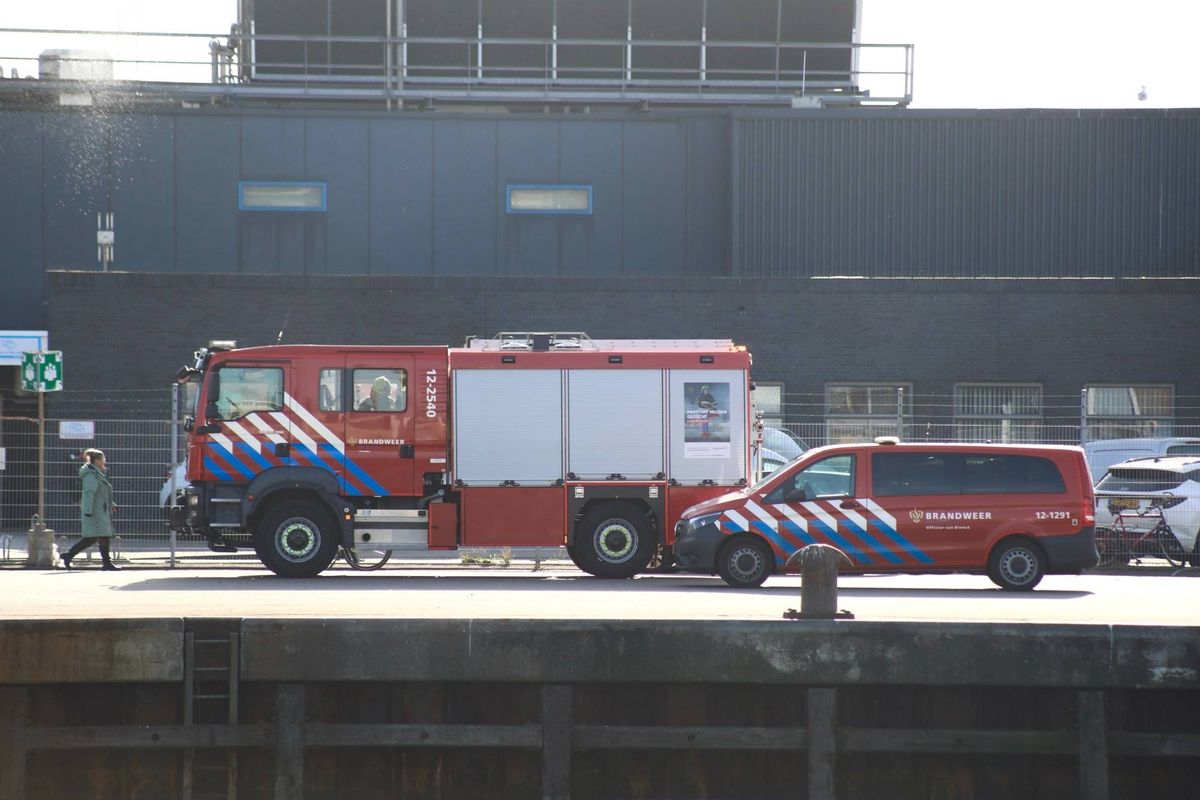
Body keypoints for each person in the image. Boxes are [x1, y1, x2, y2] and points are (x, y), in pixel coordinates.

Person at [62, 449, 120, 570]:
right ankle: (107, 563)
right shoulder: (91, 475)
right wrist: (88, 511)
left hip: (99, 509)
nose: (105, 461)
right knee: (102, 535)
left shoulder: (97, 474)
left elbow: (101, 493)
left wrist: (111, 504)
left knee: (91, 538)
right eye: (103, 458)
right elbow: (89, 493)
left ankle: (69, 555)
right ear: (97, 460)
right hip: (95, 511)